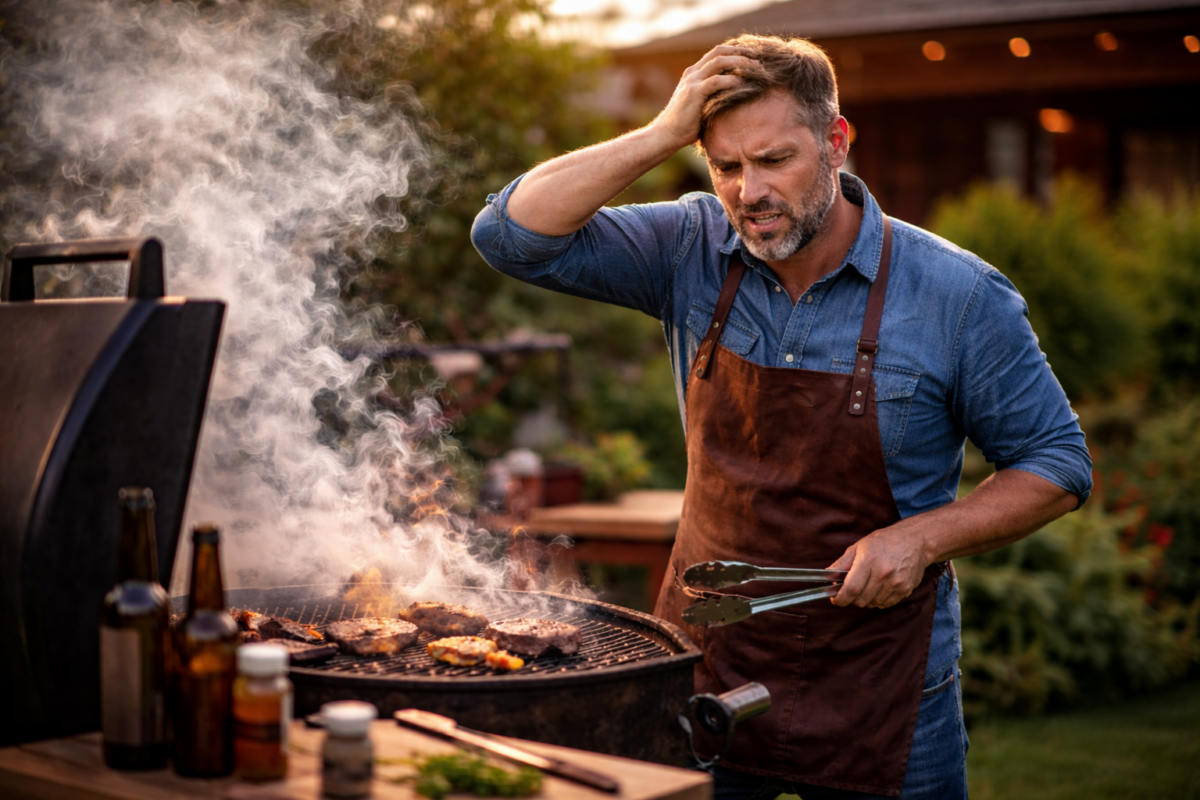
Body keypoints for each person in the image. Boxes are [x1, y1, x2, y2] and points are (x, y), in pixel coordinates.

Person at [471, 34, 1092, 800]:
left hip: (887, 688)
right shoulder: (689, 246)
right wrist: (665, 131)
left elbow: (1057, 461)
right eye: (725, 165)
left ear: (837, 142)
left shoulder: (958, 296)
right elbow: (509, 237)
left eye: (773, 161)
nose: (747, 191)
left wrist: (920, 539)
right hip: (706, 666)